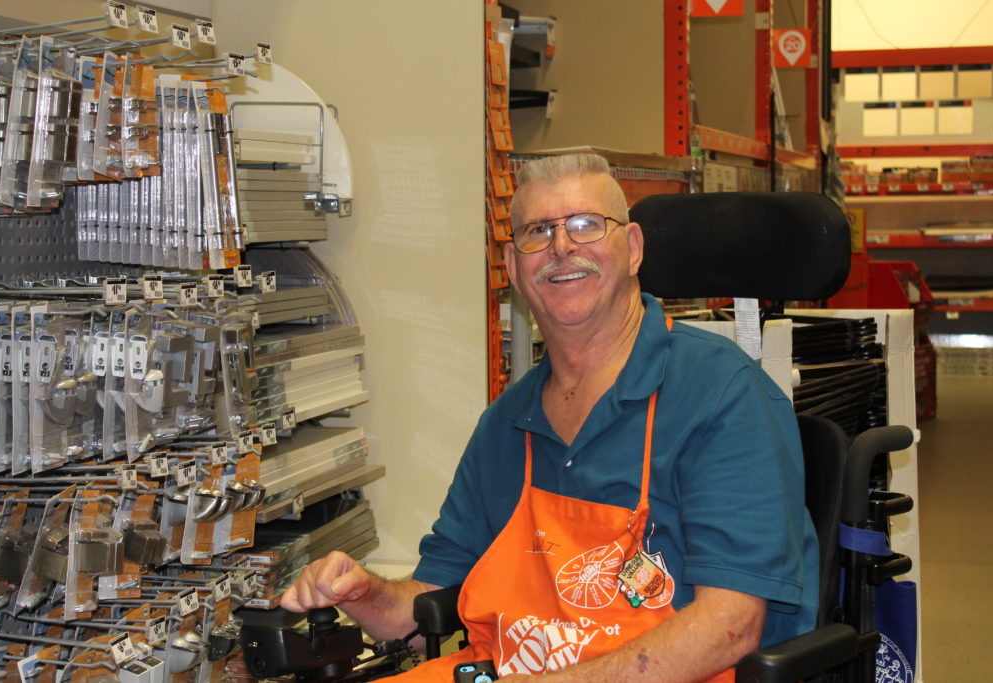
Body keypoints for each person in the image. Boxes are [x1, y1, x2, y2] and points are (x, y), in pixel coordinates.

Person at [282, 153, 818, 681]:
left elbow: (732, 626)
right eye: (537, 231)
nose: (561, 247)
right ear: (515, 269)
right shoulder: (506, 424)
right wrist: (362, 590)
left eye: (586, 225)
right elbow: (421, 610)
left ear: (632, 250)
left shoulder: (720, 394)